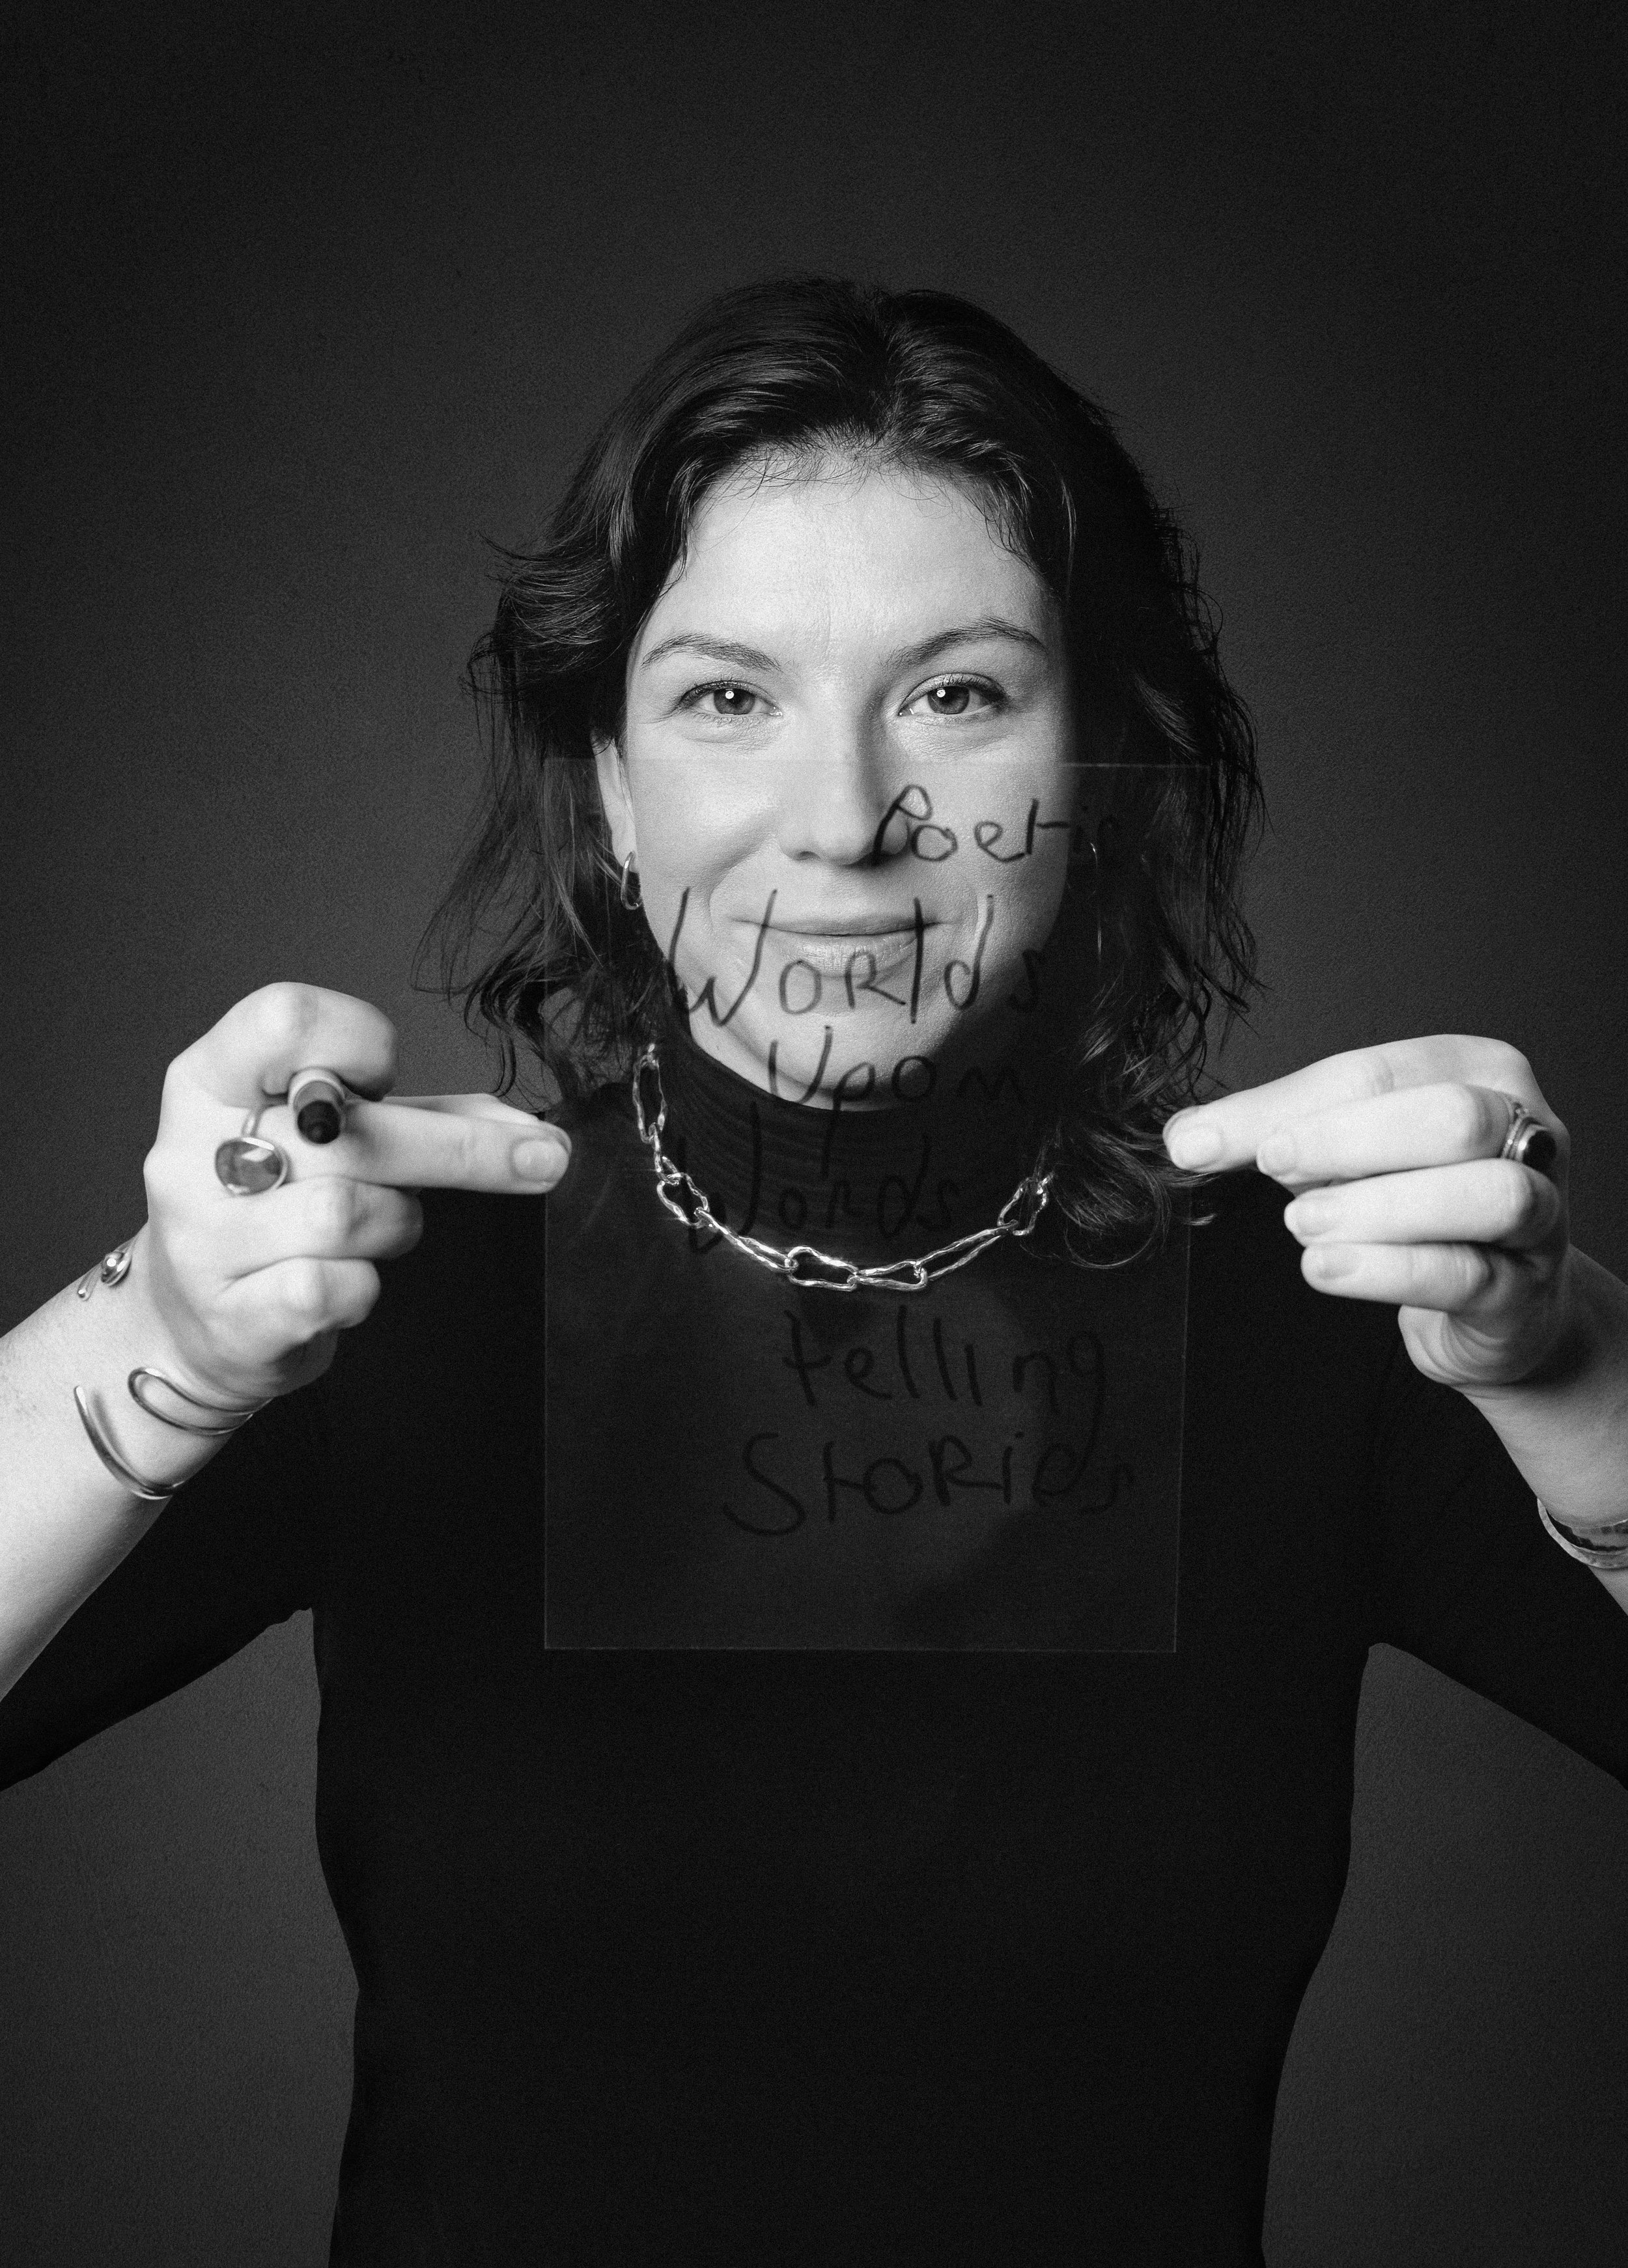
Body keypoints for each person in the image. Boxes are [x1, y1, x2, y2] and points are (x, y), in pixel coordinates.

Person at [3, 276, 1627, 2263]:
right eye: (724, 696)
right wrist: (154, 1344)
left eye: (956, 693)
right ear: (606, 784)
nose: (846, 820)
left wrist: (1572, 1365)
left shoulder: (1345, 1312)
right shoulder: (372, 1289)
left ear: (1099, 768)